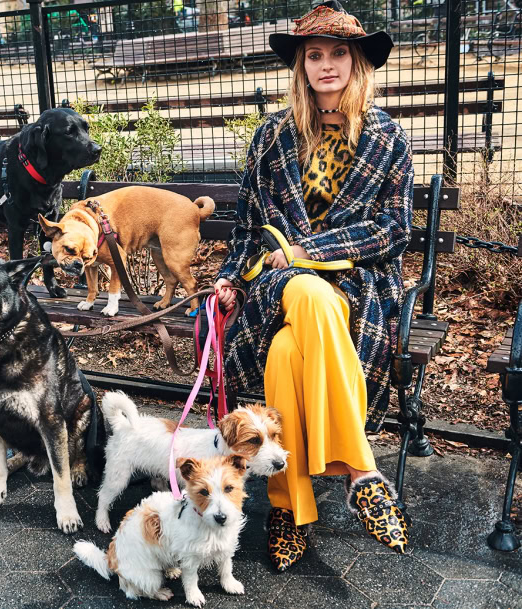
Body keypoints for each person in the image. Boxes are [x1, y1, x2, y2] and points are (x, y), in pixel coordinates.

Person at [213, 0, 412, 571]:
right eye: (314, 55)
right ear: (301, 64)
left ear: (356, 62)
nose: (326, 65)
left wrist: (308, 251)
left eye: (338, 53)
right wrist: (230, 278)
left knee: (285, 351)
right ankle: (360, 469)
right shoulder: (273, 135)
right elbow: (249, 225)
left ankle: (288, 508)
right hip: (279, 285)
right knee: (304, 292)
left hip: (358, 287)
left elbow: (394, 229)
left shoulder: (387, 137)